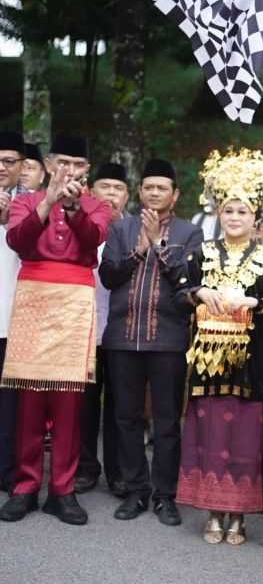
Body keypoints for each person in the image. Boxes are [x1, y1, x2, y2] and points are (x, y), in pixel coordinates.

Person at [174, 147, 263, 545]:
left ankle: (238, 517)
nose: (235, 217)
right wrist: (200, 291)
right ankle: (213, 511)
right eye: (228, 210)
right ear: (218, 214)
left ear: (257, 217)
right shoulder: (200, 254)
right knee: (211, 433)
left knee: (245, 436)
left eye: (242, 211)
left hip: (252, 364)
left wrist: (256, 302)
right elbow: (178, 293)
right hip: (207, 365)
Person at [0, 133, 111, 525]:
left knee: (69, 401)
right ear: (48, 165)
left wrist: (73, 205)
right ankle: (26, 486)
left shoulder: (96, 204)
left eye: (78, 165)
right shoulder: (26, 201)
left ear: (87, 170)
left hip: (75, 302)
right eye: (63, 163)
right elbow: (18, 240)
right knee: (29, 397)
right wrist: (48, 201)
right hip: (33, 296)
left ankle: (61, 490)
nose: (70, 171)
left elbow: (94, 239)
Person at [99, 158, 202, 525]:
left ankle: (164, 495)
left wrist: (158, 242)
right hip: (122, 340)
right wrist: (138, 250)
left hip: (168, 341)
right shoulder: (121, 230)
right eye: (148, 187)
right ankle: (136, 490)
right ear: (139, 193)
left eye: (162, 188)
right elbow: (109, 276)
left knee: (167, 421)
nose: (154, 193)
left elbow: (186, 282)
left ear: (174, 196)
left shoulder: (190, 233)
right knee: (125, 418)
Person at [75, 163, 130, 497]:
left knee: (120, 405)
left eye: (118, 188)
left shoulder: (136, 229)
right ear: (91, 192)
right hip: (84, 327)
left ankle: (118, 471)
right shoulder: (79, 224)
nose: (111, 193)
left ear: (127, 194)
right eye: (105, 186)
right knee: (85, 404)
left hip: (122, 329)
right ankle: (84, 467)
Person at [0, 131, 28, 493]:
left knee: (11, 405)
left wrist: (8, 220)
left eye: (8, 161)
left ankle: (8, 471)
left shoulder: (34, 204)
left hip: (16, 317)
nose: (1, 167)